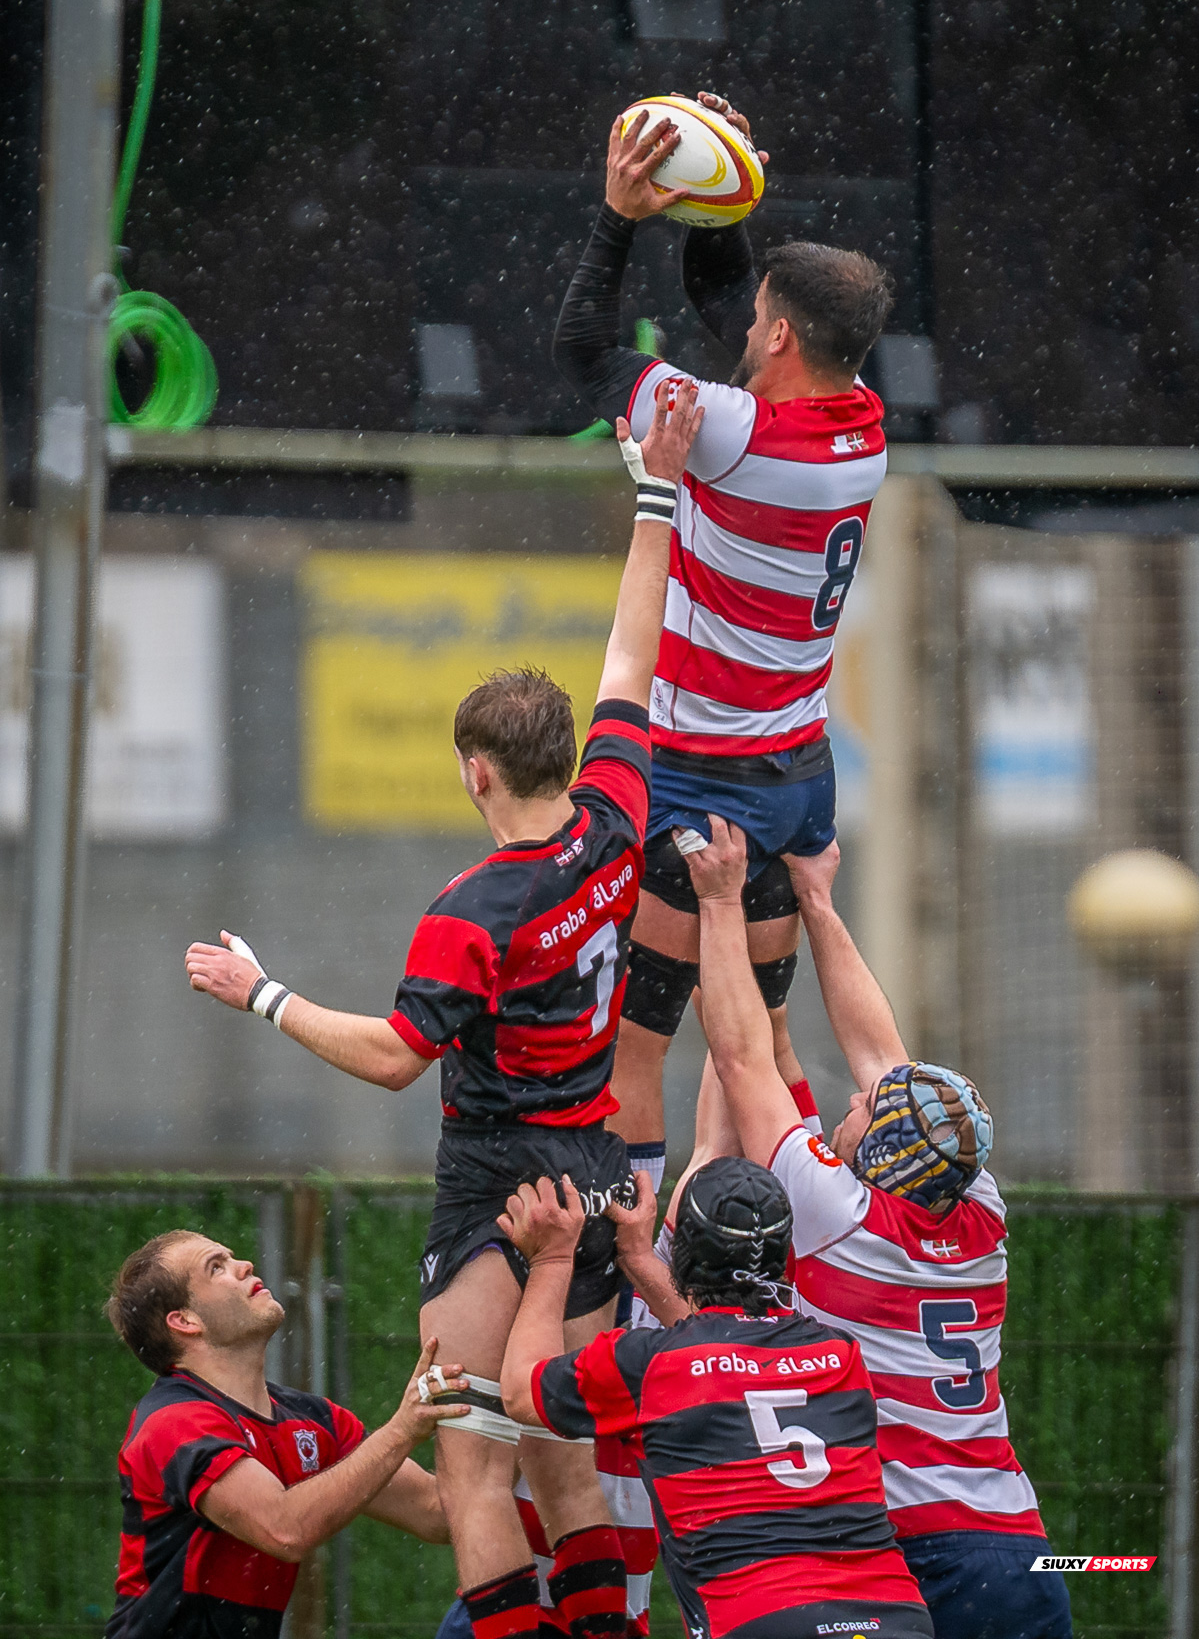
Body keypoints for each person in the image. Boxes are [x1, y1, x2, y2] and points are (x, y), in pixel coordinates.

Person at [184, 382, 705, 1639]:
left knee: (475, 1455)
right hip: (585, 1168)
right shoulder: (612, 817)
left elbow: (391, 1059)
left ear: (476, 772)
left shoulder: (470, 908)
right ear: (560, 759)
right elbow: (630, 653)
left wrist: (261, 993)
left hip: (493, 1180)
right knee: (559, 1450)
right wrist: (655, 496)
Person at [553, 92, 895, 1190]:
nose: (740, 323)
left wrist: (618, 215)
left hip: (708, 780)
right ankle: (799, 1254)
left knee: (634, 1050)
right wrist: (720, 187)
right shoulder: (856, 422)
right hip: (794, 769)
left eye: (760, 318)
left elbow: (580, 347)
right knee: (763, 1041)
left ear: (783, 336)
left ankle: (641, 1301)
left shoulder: (735, 434)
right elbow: (717, 296)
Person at [617, 820, 1072, 1639]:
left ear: (886, 1150)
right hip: (1020, 1547)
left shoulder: (839, 1219)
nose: (852, 1102)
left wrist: (721, 902)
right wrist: (818, 902)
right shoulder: (977, 1211)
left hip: (919, 1557)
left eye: (864, 1110)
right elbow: (883, 1063)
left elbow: (742, 1061)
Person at [495, 1167, 934, 1639]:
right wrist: (639, 1258)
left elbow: (521, 1391)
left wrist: (553, 1260)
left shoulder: (648, 1365)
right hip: (891, 1617)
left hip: (759, 1622)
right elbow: (733, 1350)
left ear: (683, 1255)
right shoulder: (842, 1358)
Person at [103, 1228, 462, 1639]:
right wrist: (401, 1429)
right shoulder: (173, 1422)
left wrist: (524, 1410)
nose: (245, 1266)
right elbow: (284, 1529)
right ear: (185, 1321)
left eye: (231, 1256)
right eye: (216, 1267)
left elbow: (437, 1514)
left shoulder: (313, 1419)